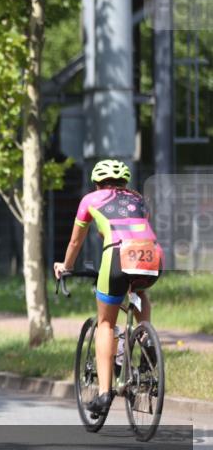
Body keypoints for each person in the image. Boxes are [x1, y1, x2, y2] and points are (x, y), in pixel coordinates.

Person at [53, 159, 163, 417]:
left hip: (116, 256)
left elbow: (75, 242)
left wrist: (66, 266)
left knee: (105, 323)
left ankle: (104, 394)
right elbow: (132, 230)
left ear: (97, 182)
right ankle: (145, 337)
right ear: (125, 182)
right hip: (152, 255)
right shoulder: (139, 199)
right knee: (138, 291)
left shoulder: (90, 200)